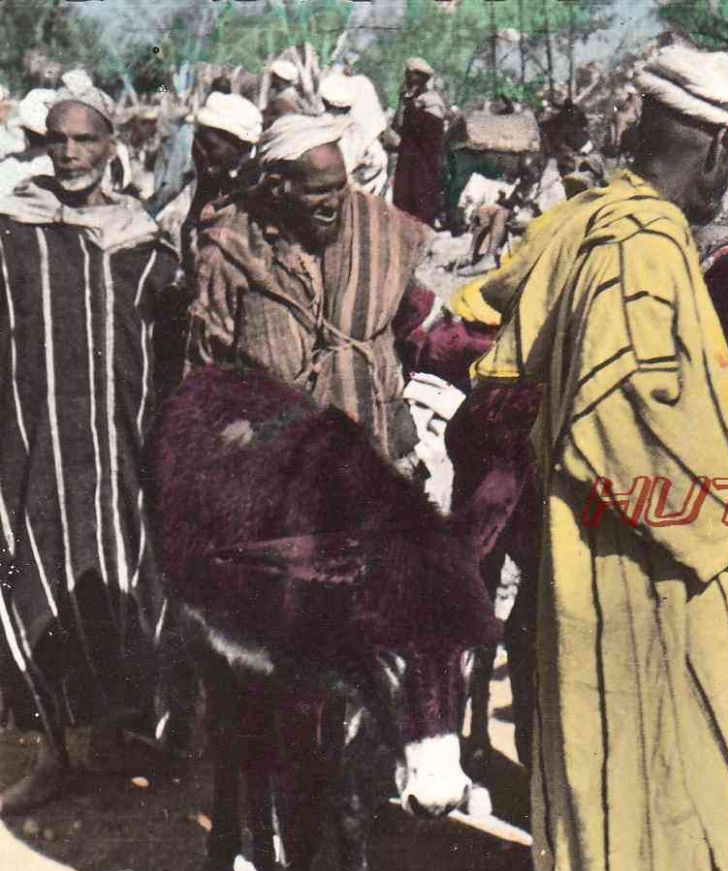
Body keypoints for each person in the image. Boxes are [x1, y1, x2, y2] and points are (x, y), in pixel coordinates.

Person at [465, 45, 728, 871]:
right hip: (648, 558)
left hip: (595, 540)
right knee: (668, 751)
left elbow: (487, 316)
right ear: (710, 156)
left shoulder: (580, 222)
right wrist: (724, 527)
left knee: (621, 752)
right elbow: (626, 424)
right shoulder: (639, 247)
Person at [0, 89, 183, 816]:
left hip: (123, 454)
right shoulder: (15, 233)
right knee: (34, 586)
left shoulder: (142, 243)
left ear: (113, 145)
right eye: (58, 141)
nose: (70, 154)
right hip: (35, 449)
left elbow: (169, 348)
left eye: (85, 140)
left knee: (126, 585)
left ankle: (116, 738)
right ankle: (52, 752)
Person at [187, 115, 433, 465]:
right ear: (277, 187)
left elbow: (413, 318)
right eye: (318, 191)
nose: (334, 203)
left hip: (375, 438)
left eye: (339, 187)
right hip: (278, 452)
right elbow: (206, 358)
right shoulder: (233, 248)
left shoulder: (377, 232)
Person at [153, 91, 261, 276]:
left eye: (211, 146)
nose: (201, 152)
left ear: (241, 146)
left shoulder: (257, 183)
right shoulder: (212, 171)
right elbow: (193, 219)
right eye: (198, 143)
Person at [390, 58, 448, 227]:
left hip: (424, 162)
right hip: (408, 159)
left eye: (411, 75)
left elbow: (431, 136)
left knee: (421, 202)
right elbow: (397, 126)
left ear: (421, 77)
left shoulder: (432, 102)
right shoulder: (410, 100)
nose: (407, 79)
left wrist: (410, 108)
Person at [318, 73, 390, 197]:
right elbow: (379, 160)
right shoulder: (360, 132)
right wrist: (354, 181)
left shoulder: (315, 126)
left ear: (323, 101)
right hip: (348, 192)